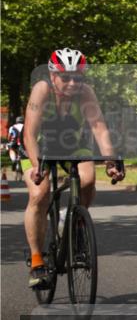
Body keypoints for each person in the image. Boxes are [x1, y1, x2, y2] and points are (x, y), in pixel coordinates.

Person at [23, 48, 125, 288]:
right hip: (39, 147)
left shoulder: (85, 93)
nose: (72, 83)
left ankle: (75, 225)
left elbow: (99, 128)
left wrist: (110, 160)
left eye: (77, 77)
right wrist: (38, 166)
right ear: (52, 76)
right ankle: (37, 260)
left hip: (72, 146)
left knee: (88, 180)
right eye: (65, 77)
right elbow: (29, 133)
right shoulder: (42, 90)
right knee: (39, 193)